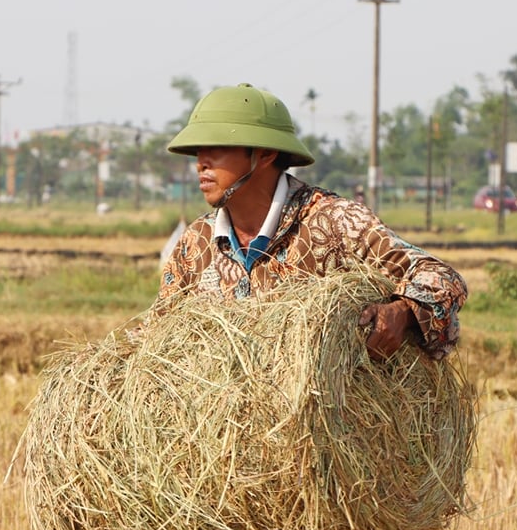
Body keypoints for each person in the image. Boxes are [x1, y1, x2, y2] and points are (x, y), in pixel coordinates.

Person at [156, 83, 466, 361]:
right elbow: (158, 333)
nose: (201, 163)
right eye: (198, 151)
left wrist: (401, 311)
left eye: (217, 149)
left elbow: (443, 279)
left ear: (263, 155)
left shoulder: (337, 223)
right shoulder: (196, 243)